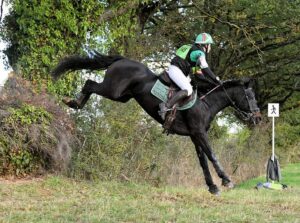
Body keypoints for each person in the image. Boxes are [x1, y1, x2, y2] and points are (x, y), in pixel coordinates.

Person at [159, 32, 221, 120]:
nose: (210, 47)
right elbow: (205, 67)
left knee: (190, 86)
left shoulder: (192, 49)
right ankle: (165, 106)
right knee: (188, 90)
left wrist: (211, 83)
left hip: (176, 69)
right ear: (205, 45)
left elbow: (199, 74)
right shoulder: (199, 52)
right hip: (177, 70)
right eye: (209, 45)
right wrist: (216, 79)